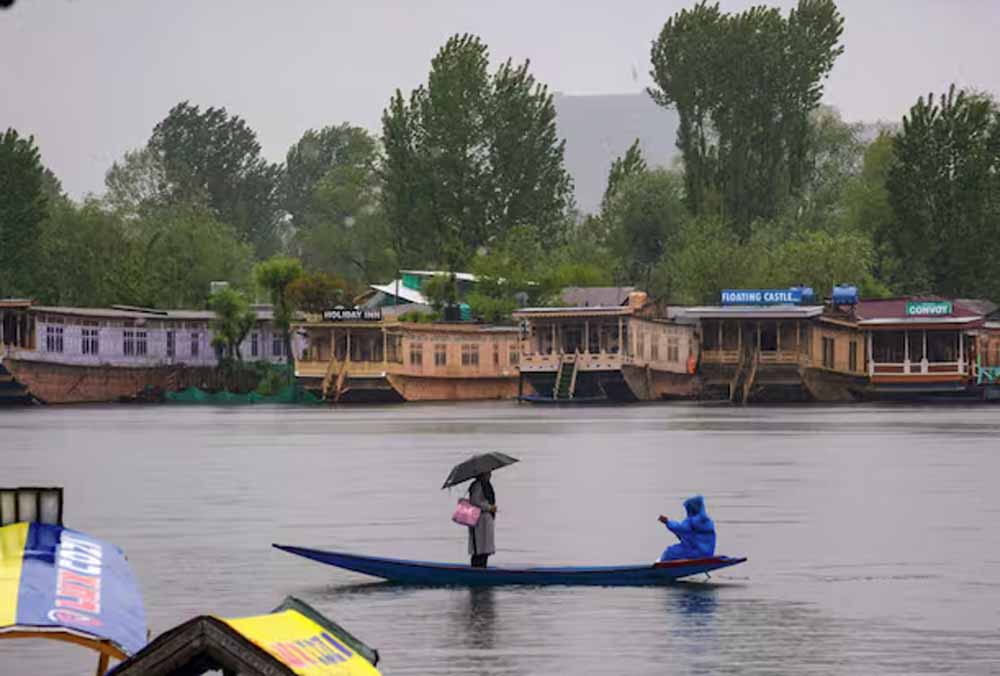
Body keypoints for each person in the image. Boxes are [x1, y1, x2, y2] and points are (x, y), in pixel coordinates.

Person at [658, 495, 716, 562]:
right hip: (708, 552)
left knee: (669, 553)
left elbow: (680, 528)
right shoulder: (707, 521)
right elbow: (690, 535)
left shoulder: (692, 521)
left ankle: (663, 568)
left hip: (695, 551)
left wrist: (667, 522)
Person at [467, 471, 497, 567]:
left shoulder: (486, 485)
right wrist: (489, 507)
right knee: (478, 548)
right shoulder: (477, 486)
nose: (490, 474)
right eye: (487, 473)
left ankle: (483, 567)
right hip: (479, 519)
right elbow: (474, 501)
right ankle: (477, 568)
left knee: (485, 548)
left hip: (486, 519)